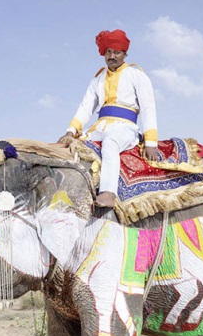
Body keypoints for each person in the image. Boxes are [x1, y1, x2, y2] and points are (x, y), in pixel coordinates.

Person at [57, 29, 158, 207]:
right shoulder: (97, 79)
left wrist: (151, 143)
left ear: (125, 53)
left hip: (125, 128)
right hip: (99, 127)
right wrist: (71, 131)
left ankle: (108, 193)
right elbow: (85, 107)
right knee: (72, 146)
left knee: (111, 143)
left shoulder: (137, 75)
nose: (112, 56)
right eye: (108, 52)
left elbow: (148, 108)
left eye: (116, 52)